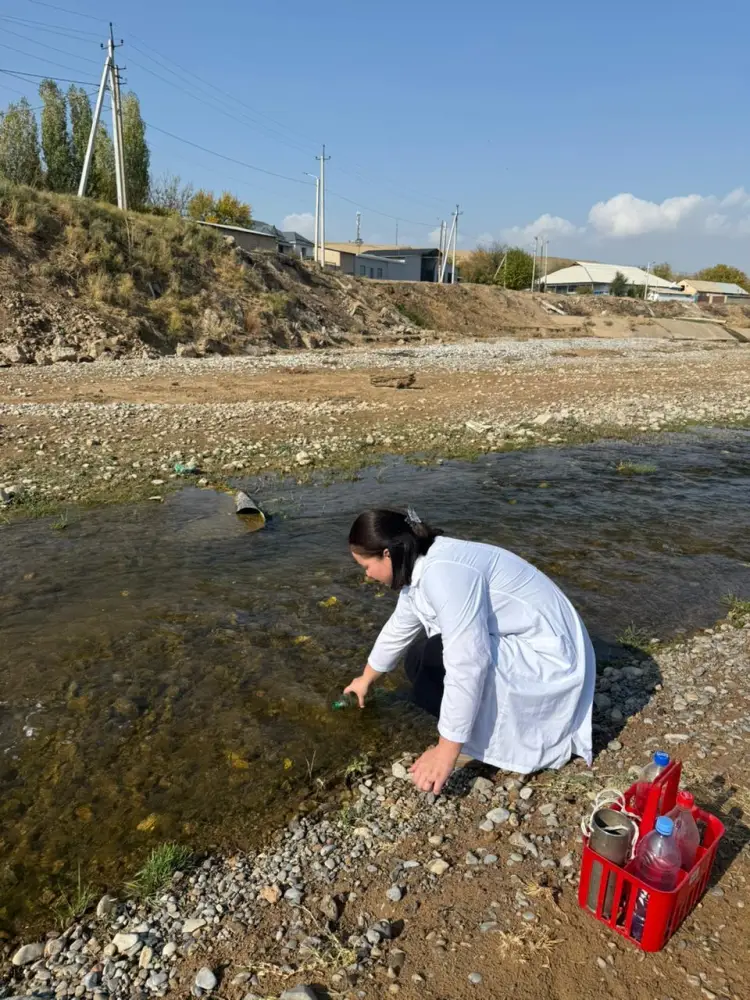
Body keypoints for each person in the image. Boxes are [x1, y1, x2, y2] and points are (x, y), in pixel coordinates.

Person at [344, 507, 595, 795]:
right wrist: (365, 678)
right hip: (529, 642)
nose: (367, 576)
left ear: (387, 554)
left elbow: (467, 664)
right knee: (419, 660)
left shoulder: (444, 573)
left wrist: (445, 752)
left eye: (366, 567)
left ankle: (483, 743)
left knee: (438, 656)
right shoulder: (420, 564)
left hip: (552, 660)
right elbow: (399, 628)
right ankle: (473, 733)